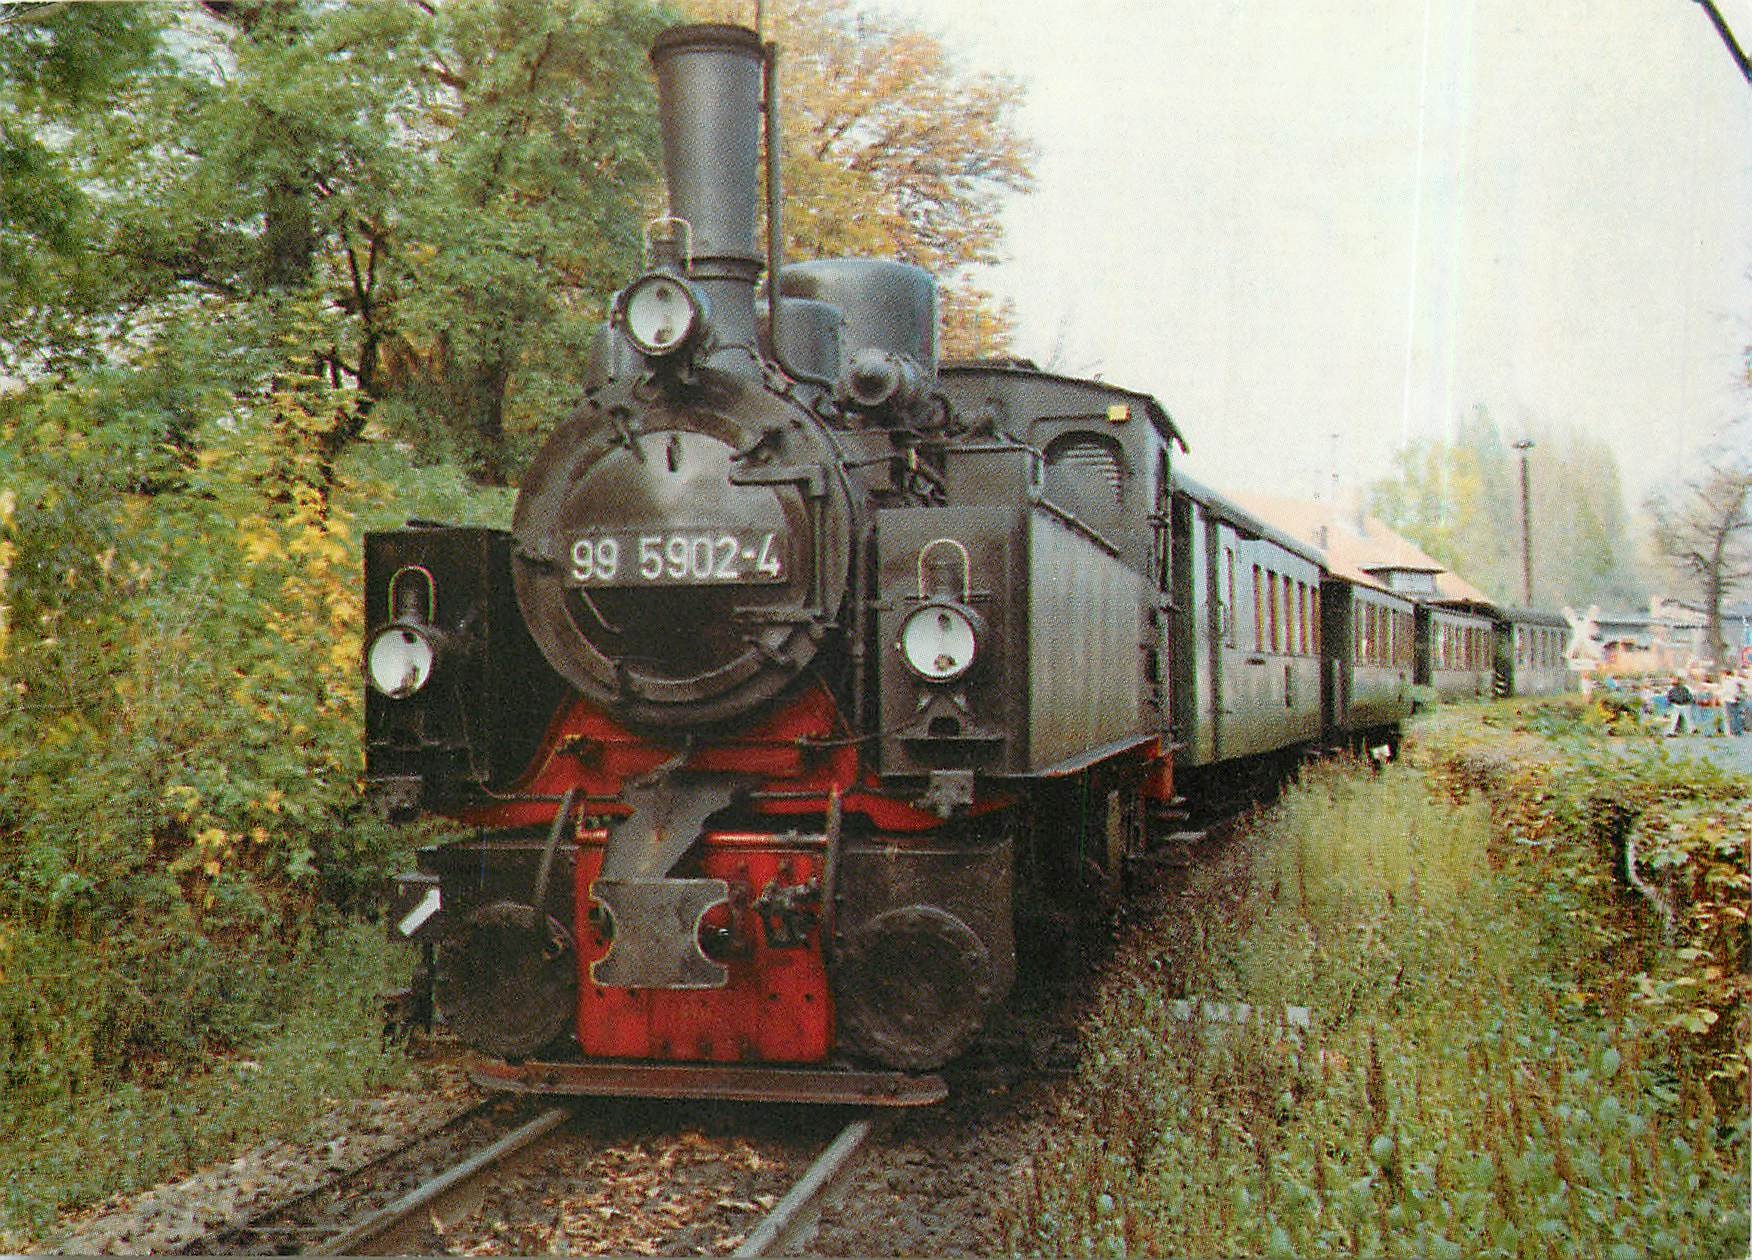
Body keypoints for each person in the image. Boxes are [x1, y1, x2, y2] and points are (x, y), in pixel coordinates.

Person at [1723, 669, 1746, 737]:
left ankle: (1733, 731)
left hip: (1728, 700)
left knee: (1731, 716)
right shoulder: (1735, 680)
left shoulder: (1726, 681)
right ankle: (1738, 730)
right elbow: (1741, 686)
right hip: (1736, 699)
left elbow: (1724, 691)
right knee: (1737, 715)